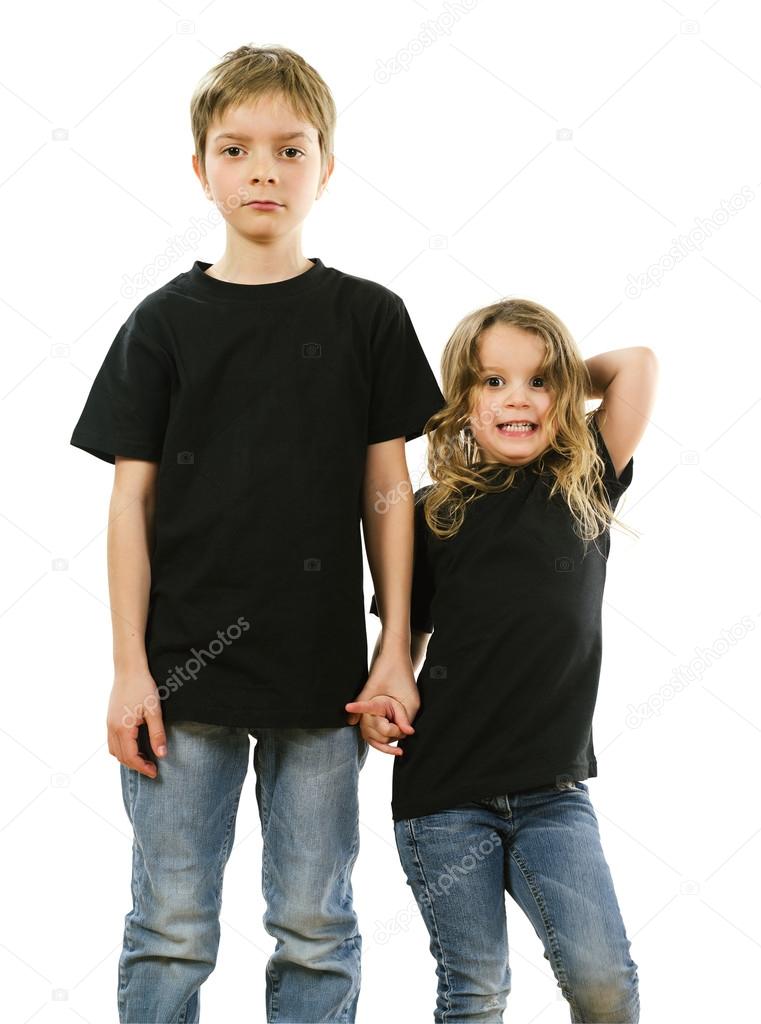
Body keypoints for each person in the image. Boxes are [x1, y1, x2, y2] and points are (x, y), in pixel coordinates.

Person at [70, 44, 443, 1024]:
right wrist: (126, 667)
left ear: (326, 166)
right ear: (202, 168)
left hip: (323, 679)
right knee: (172, 925)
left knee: (317, 927)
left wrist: (395, 648)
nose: (265, 169)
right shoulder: (163, 323)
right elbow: (129, 507)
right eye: (237, 149)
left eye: (290, 148)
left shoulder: (368, 317)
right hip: (178, 677)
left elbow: (389, 494)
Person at [348, 298, 658, 1022]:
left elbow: (637, 367)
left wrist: (552, 374)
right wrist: (386, 692)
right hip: (443, 797)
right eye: (492, 383)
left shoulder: (583, 484)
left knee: (603, 982)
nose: (517, 398)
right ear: (462, 401)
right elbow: (407, 637)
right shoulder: (432, 512)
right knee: (477, 989)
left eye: (537, 382)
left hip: (554, 796)